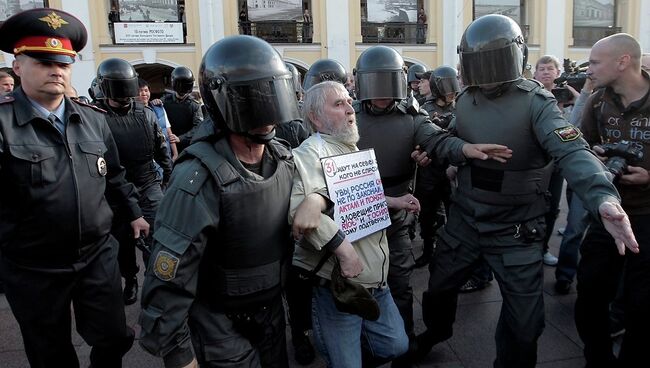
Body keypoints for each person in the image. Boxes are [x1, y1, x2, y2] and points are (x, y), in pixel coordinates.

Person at [412, 15, 638, 368]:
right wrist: (442, 149)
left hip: (515, 229)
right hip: (466, 219)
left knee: (524, 324)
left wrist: (603, 197)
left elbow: (573, 151)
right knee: (438, 290)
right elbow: (455, 133)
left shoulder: (537, 103)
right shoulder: (467, 98)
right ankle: (436, 332)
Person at [139, 35, 302, 368]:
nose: (267, 110)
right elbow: (168, 276)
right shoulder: (197, 179)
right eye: (255, 99)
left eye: (272, 95)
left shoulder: (282, 159)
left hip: (271, 313)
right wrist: (180, 355)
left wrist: (316, 200)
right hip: (218, 323)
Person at [0, 8, 150, 367]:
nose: (56, 70)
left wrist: (135, 215)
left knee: (115, 337)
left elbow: (114, 175)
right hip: (33, 265)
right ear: (18, 66)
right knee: (49, 351)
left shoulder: (93, 120)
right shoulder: (3, 124)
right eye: (42, 61)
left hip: (96, 255)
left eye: (64, 64)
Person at [353, 44, 513, 365]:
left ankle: (404, 340)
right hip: (355, 213)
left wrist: (466, 150)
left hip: (397, 215)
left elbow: (438, 139)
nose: (383, 95)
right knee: (356, 282)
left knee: (400, 281)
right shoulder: (349, 116)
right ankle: (361, 340)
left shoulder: (412, 117)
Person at [290, 80, 412, 367]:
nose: (350, 109)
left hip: (375, 281)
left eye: (349, 101)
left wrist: (393, 201)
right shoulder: (311, 153)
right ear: (315, 118)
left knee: (396, 344)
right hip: (339, 285)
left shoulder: (349, 148)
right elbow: (303, 213)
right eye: (339, 104)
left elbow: (355, 198)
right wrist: (343, 250)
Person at [575, 32, 650, 368]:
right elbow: (583, 148)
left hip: (647, 217)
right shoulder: (597, 102)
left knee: (642, 304)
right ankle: (598, 358)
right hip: (608, 213)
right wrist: (598, 160)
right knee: (589, 294)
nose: (588, 69)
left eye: (595, 62)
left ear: (623, 61)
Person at [94, 58, 172, 305]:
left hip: (147, 184)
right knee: (123, 242)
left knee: (157, 239)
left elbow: (161, 149)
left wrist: (169, 177)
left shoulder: (146, 114)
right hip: (113, 191)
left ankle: (156, 282)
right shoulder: (95, 117)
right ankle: (131, 279)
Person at [161, 66, 203, 153]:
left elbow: (198, 127)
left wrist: (180, 138)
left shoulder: (194, 105)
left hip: (187, 147)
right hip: (168, 147)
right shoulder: (164, 101)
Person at [138, 78, 178, 162]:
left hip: (167, 156)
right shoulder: (133, 112)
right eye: (140, 91)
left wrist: (175, 154)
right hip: (148, 159)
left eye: (146, 90)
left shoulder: (159, 108)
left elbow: (168, 132)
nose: (144, 93)